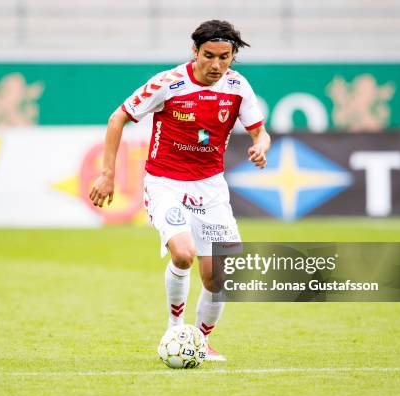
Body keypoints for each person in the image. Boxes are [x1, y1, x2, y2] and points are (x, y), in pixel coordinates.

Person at [89, 20, 271, 361]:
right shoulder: (168, 83)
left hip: (211, 187)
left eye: (225, 57)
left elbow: (260, 132)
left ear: (233, 56)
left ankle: (200, 342)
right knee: (183, 253)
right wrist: (107, 175)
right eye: (209, 56)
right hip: (165, 183)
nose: (216, 65)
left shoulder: (238, 86)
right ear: (194, 51)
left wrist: (261, 145)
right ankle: (175, 330)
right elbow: (118, 118)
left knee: (217, 277)